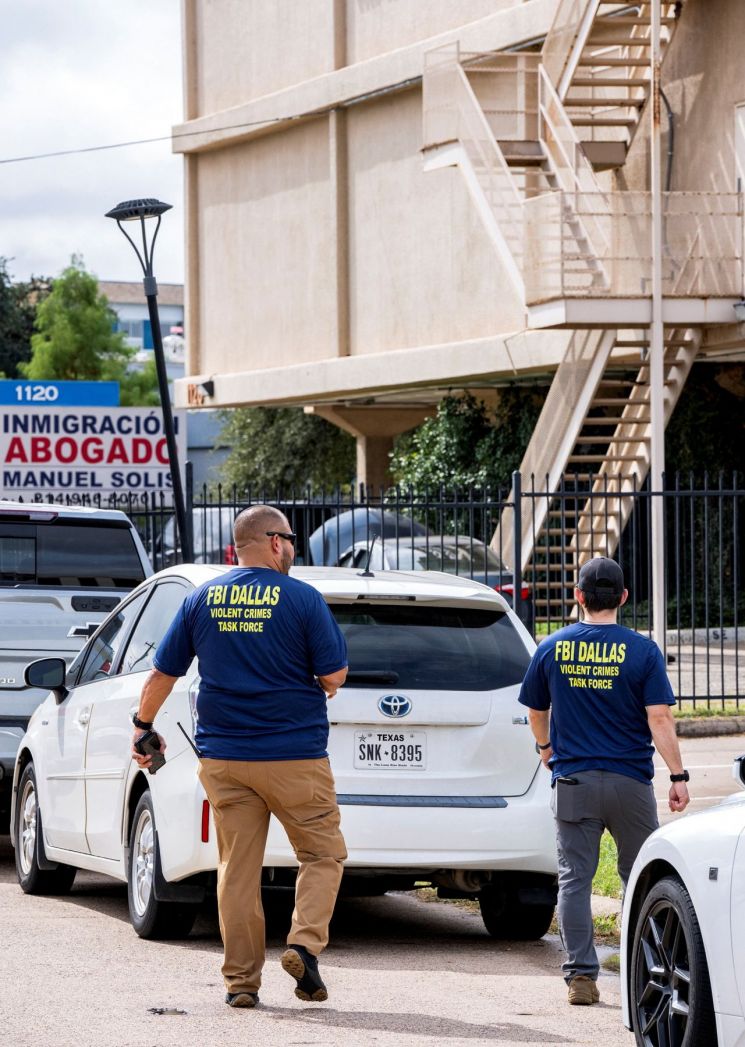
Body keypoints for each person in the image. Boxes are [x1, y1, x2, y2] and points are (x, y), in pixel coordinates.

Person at [130, 504, 348, 1009]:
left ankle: (241, 983)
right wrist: (316, 681)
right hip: (294, 757)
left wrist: (143, 727)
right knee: (322, 855)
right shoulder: (302, 599)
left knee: (237, 869)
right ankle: (303, 945)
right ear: (274, 542)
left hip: (224, 759)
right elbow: (334, 676)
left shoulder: (201, 598)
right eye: (290, 538)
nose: (293, 547)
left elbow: (162, 674)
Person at [518, 556, 690, 1006]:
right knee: (642, 877)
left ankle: (580, 976)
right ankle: (644, 970)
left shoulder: (551, 647)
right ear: (624, 598)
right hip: (630, 783)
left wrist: (545, 749)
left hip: (573, 780)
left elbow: (535, 710)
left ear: (578, 597)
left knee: (575, 880)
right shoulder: (643, 651)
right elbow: (660, 717)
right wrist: (677, 775)